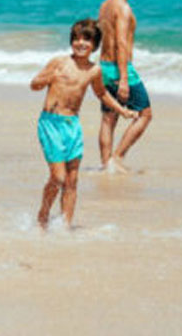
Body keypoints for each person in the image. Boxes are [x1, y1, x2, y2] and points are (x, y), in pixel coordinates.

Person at [31, 18, 136, 228]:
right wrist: (48, 78)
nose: (81, 43)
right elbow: (34, 84)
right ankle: (43, 215)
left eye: (86, 40)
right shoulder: (59, 62)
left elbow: (102, 94)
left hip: (72, 126)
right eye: (77, 39)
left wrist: (122, 110)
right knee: (58, 177)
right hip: (51, 123)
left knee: (72, 180)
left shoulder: (94, 71)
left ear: (95, 45)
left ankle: (65, 225)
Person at [97, 0, 153, 172]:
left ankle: (106, 165)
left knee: (108, 118)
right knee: (145, 114)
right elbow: (121, 42)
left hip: (104, 67)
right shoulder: (123, 7)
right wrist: (123, 79)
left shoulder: (104, 5)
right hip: (120, 69)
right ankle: (117, 158)